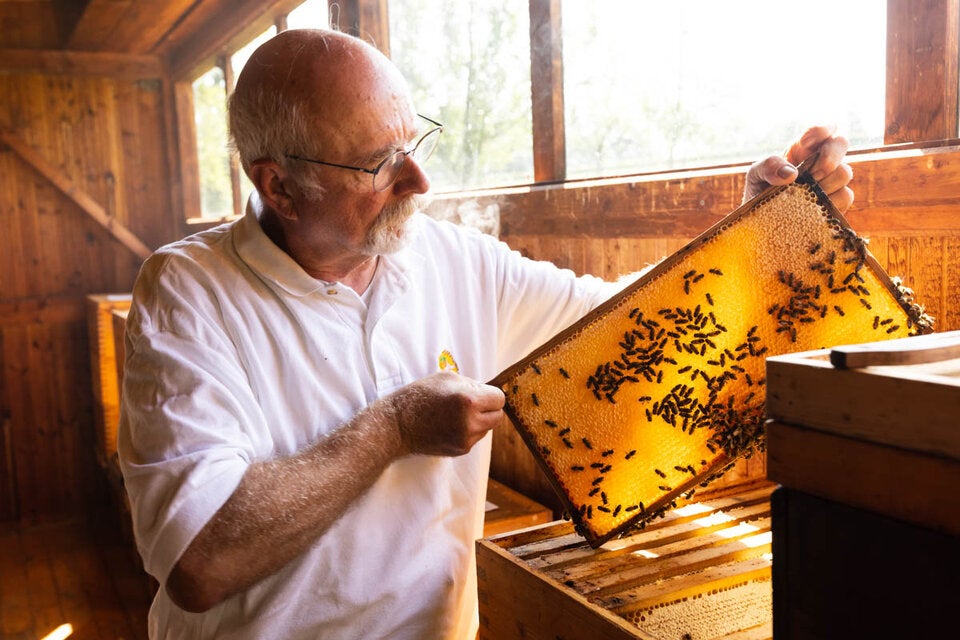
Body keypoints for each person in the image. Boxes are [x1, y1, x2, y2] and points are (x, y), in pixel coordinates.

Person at [118, 27, 853, 640]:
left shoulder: (449, 256)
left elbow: (630, 323)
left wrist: (753, 234)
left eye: (414, 143)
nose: (418, 182)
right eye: (379, 163)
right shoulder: (188, 291)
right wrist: (394, 427)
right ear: (277, 185)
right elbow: (197, 562)